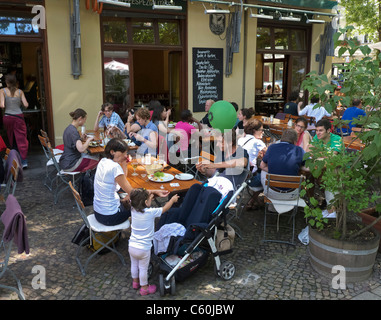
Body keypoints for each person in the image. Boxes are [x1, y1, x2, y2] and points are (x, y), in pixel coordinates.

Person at [93, 138, 169, 226]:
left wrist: (124, 164)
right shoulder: (114, 167)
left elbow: (122, 180)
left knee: (133, 198)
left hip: (99, 212)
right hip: (110, 216)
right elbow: (133, 193)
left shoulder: (103, 162)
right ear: (112, 152)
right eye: (123, 153)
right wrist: (154, 191)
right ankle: (143, 232)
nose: (126, 156)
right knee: (141, 201)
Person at [128, 188, 179, 296]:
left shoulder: (133, 208)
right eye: (149, 199)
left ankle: (135, 283)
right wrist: (172, 200)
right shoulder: (151, 212)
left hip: (132, 245)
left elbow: (140, 199)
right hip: (144, 248)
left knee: (134, 264)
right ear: (146, 203)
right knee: (143, 268)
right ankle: (144, 288)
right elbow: (164, 208)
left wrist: (152, 195)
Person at [306, 119, 343, 218]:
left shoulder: (337, 139)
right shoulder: (317, 138)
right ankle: (312, 204)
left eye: (320, 130)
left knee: (331, 174)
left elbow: (333, 156)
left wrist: (318, 154)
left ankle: (332, 211)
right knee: (307, 176)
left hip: (340, 170)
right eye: (317, 130)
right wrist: (324, 155)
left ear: (328, 130)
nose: (317, 133)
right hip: (322, 168)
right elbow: (308, 150)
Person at [259, 128, 305, 200]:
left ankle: (270, 204)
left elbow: (262, 166)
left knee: (263, 171)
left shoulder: (272, 147)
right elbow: (308, 167)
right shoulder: (299, 150)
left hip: (272, 192)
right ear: (295, 141)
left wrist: (274, 171)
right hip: (292, 194)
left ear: (281, 139)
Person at [0, 74, 29, 168]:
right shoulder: (20, 92)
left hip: (8, 117)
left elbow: (2, 105)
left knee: (11, 137)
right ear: (15, 81)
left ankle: (15, 161)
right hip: (18, 117)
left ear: (6, 82)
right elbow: (26, 105)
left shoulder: (2, 91)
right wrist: (19, 102)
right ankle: (23, 161)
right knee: (21, 139)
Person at [238, 118, 266, 190]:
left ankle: (252, 201)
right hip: (251, 179)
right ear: (254, 130)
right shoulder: (257, 142)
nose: (263, 132)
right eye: (261, 130)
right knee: (269, 176)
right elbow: (270, 155)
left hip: (238, 177)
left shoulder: (240, 140)